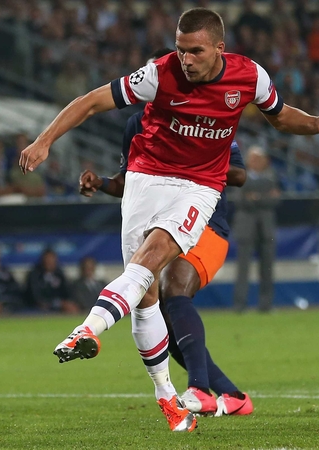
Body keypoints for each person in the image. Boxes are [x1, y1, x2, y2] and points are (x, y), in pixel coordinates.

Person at [18, 7, 319, 432]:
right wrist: (45, 140)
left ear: (218, 49)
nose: (186, 59)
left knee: (152, 261)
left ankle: (88, 328)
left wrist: (316, 123)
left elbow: (281, 116)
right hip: (145, 178)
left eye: (195, 51)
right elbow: (92, 101)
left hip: (198, 188)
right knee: (145, 294)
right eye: (180, 50)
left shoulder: (250, 77)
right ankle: (169, 400)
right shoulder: (159, 74)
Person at [79, 102, 252, 416]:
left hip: (206, 225)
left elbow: (239, 175)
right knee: (162, 322)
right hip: (160, 231)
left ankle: (198, 388)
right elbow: (127, 180)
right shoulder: (136, 124)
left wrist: (185, 163)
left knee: (174, 289)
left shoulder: (207, 121)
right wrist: (101, 183)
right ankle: (232, 395)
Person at [230, 146, 280, 313]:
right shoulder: (240, 177)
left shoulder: (271, 178)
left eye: (260, 159)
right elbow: (239, 201)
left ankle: (266, 305)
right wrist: (263, 198)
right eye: (254, 159)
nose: (257, 162)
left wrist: (254, 198)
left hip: (266, 228)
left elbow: (275, 200)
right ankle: (239, 305)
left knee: (267, 269)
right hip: (246, 228)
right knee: (243, 269)